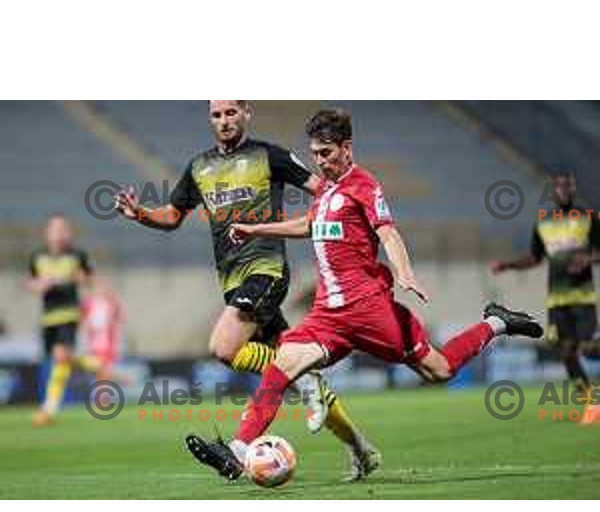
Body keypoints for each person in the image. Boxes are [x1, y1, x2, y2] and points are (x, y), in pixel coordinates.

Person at [184, 108, 544, 482]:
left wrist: (404, 273)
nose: (320, 162)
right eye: (315, 154)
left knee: (439, 370)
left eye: (327, 153)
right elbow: (309, 225)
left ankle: (496, 322)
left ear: (347, 148)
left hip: (371, 310)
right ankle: (238, 451)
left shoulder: (365, 185)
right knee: (281, 366)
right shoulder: (324, 192)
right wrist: (256, 230)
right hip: (329, 314)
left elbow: (387, 233)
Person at [114, 100, 379, 480]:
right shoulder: (199, 167)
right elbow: (172, 216)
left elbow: (325, 190)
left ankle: (296, 390)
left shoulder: (269, 156)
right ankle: (361, 448)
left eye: (231, 113)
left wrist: (349, 231)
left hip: (266, 270)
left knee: (223, 347)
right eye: (217, 115)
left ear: (246, 113)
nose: (224, 121)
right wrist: (140, 213)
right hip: (233, 279)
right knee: (290, 363)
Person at [491, 170, 600, 425]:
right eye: (560, 186)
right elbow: (535, 257)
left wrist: (588, 258)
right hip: (557, 299)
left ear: (574, 188)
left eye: (568, 185)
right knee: (566, 352)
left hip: (582, 296)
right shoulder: (544, 222)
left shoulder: (588, 218)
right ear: (554, 190)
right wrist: (507, 265)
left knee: (588, 348)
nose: (564, 190)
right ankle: (591, 404)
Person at [28, 214, 95, 426]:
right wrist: (41, 285)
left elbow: (89, 278)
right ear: (47, 233)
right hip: (48, 317)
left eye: (63, 229)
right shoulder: (37, 257)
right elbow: (31, 283)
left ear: (68, 233)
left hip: (69, 314)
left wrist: (78, 278)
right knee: (61, 359)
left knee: (60, 356)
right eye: (55, 229)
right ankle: (98, 367)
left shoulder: (77, 255)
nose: (59, 234)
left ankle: (48, 409)